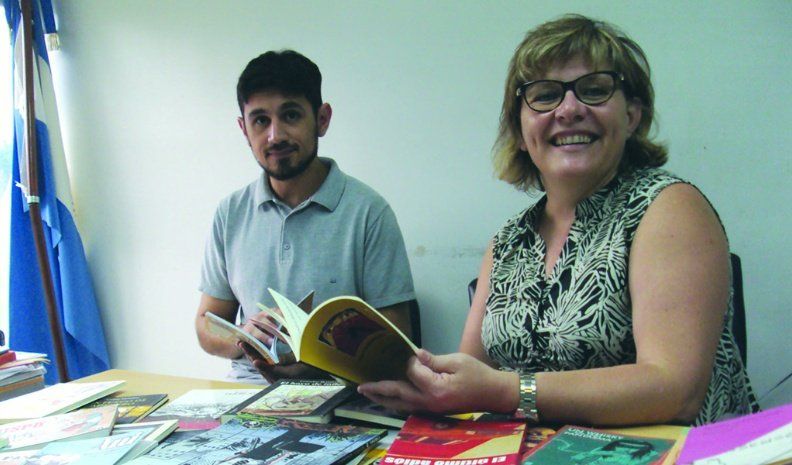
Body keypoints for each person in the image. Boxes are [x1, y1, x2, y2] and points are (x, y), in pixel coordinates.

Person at [358, 15, 758, 426]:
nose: (569, 110)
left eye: (595, 91)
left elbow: (674, 391)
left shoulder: (668, 208)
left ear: (632, 116)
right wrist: (423, 383)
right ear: (519, 127)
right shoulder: (508, 241)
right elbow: (469, 377)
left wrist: (507, 390)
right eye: (545, 95)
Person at [195, 50, 415, 384]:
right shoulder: (230, 213)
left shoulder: (369, 212)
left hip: (345, 399)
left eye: (291, 115)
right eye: (260, 121)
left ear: (322, 119)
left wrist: (318, 357)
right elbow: (206, 325)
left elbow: (397, 343)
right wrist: (245, 337)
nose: (275, 135)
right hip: (246, 398)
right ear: (243, 128)